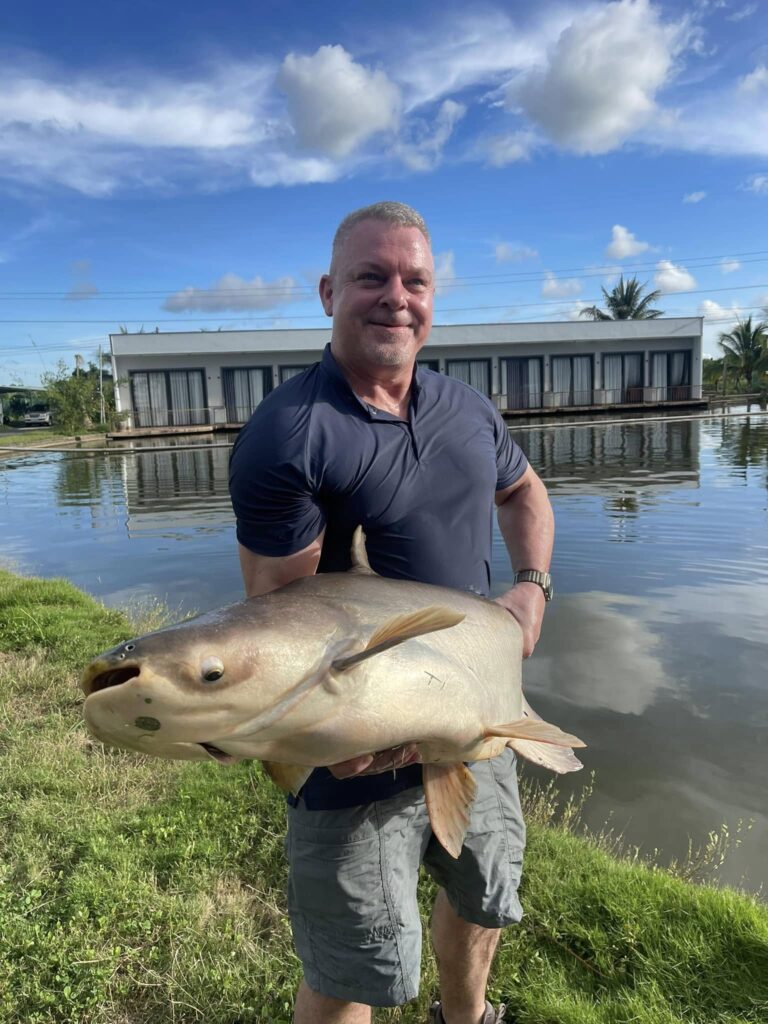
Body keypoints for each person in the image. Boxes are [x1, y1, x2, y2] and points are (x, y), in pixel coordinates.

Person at [229, 201, 554, 1024]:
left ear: (434, 296)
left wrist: (532, 586)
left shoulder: (467, 410)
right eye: (371, 277)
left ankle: (465, 1018)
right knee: (357, 966)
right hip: (356, 763)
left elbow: (523, 492)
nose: (395, 297)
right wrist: (324, 741)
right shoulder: (291, 434)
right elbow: (276, 630)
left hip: (476, 713)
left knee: (484, 896)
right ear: (328, 291)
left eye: (415, 280)